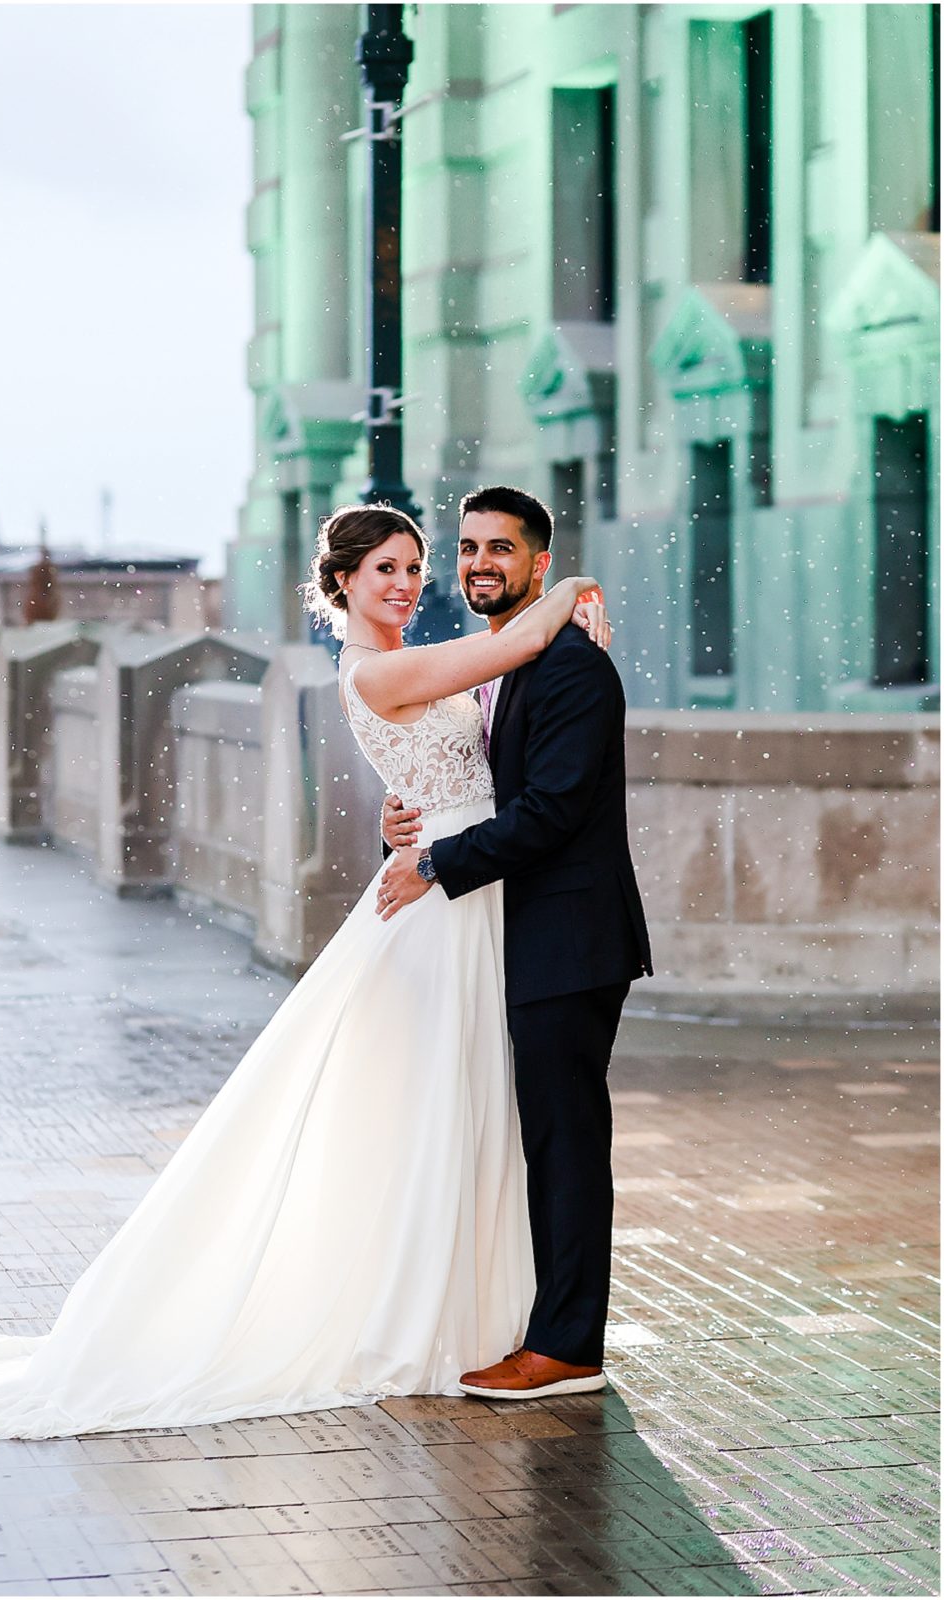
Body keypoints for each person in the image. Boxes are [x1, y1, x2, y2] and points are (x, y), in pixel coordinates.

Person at [0, 502, 610, 1439]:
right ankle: (438, 1314)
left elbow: (469, 750)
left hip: (463, 890)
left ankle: (476, 1311)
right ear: (341, 583)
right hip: (443, 900)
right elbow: (507, 653)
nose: (407, 582)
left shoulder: (397, 665)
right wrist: (576, 590)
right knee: (442, 1104)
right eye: (386, 568)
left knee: (461, 1107)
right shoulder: (385, 666)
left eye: (414, 567)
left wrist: (415, 814)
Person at [378, 485, 652, 1401]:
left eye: (500, 549)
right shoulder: (508, 659)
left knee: (565, 1142)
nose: (478, 563)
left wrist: (436, 864)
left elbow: (550, 813)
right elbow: (485, 786)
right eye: (467, 548)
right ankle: (540, 1322)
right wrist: (410, 825)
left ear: (536, 563)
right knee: (538, 1136)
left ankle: (568, 1346)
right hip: (520, 930)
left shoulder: (574, 669)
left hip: (569, 936)